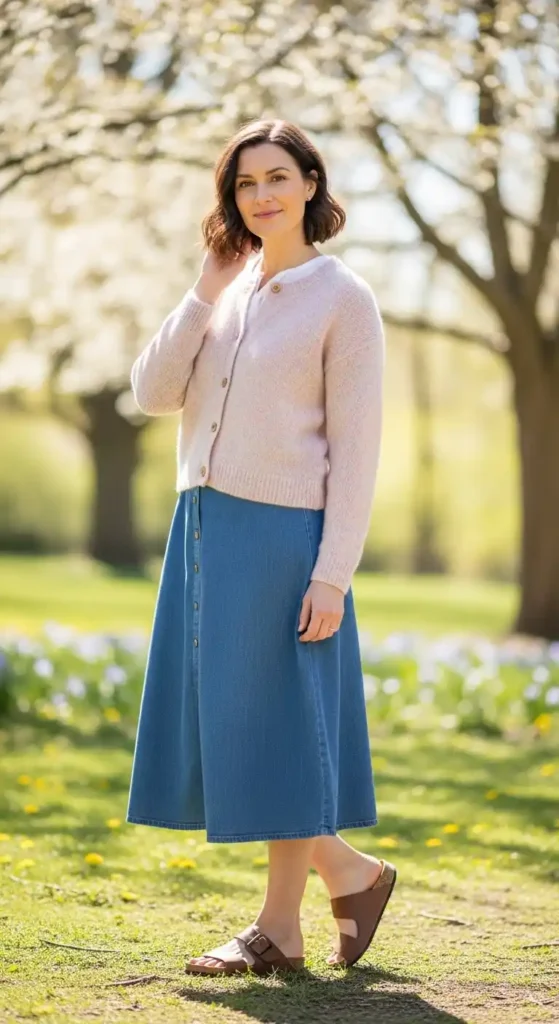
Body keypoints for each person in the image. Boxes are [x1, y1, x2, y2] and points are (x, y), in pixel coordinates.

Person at [126, 117, 396, 976]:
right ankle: (348, 874)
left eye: (278, 177)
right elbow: (152, 393)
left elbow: (357, 451)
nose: (262, 196)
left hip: (285, 538)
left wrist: (332, 575)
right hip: (203, 530)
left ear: (310, 185)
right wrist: (203, 291)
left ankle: (280, 927)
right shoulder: (228, 294)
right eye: (245, 184)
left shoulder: (342, 299)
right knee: (234, 729)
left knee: (276, 728)